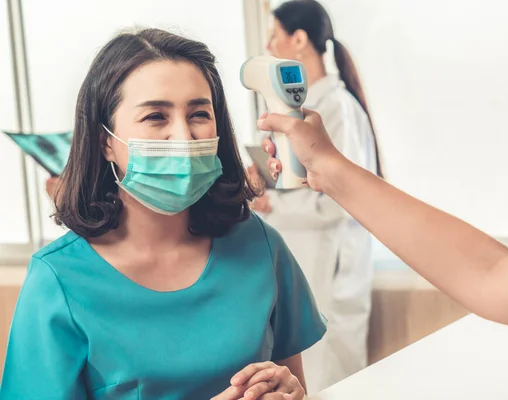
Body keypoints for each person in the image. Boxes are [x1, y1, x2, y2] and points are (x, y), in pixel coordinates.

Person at [261, 0, 508, 361]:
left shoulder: (338, 104)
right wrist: (326, 170)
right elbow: (495, 273)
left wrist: (317, 178)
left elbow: (493, 273)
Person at [0, 28, 326, 399]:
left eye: (199, 113)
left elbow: (293, 383)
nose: (184, 137)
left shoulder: (261, 246)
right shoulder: (58, 280)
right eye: (156, 116)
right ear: (106, 141)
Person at [249, 0, 384, 391]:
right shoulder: (306, 108)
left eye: (274, 36)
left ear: (300, 39)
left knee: (333, 380)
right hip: (310, 265)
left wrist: (272, 203)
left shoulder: (335, 107)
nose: (269, 46)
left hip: (333, 270)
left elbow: (337, 198)